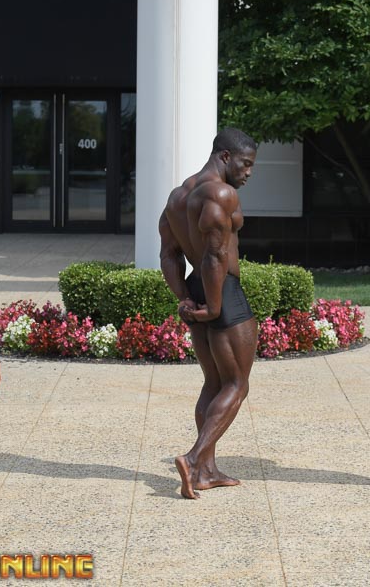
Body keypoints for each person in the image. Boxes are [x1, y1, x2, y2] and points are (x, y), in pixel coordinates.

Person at [159, 128, 258, 499]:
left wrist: (186, 298)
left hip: (199, 288)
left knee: (213, 383)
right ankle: (194, 458)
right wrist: (214, 306)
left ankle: (206, 471)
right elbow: (216, 254)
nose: (249, 173)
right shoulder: (220, 193)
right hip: (223, 293)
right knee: (237, 384)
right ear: (225, 157)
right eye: (245, 164)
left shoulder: (177, 196)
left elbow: (168, 254)